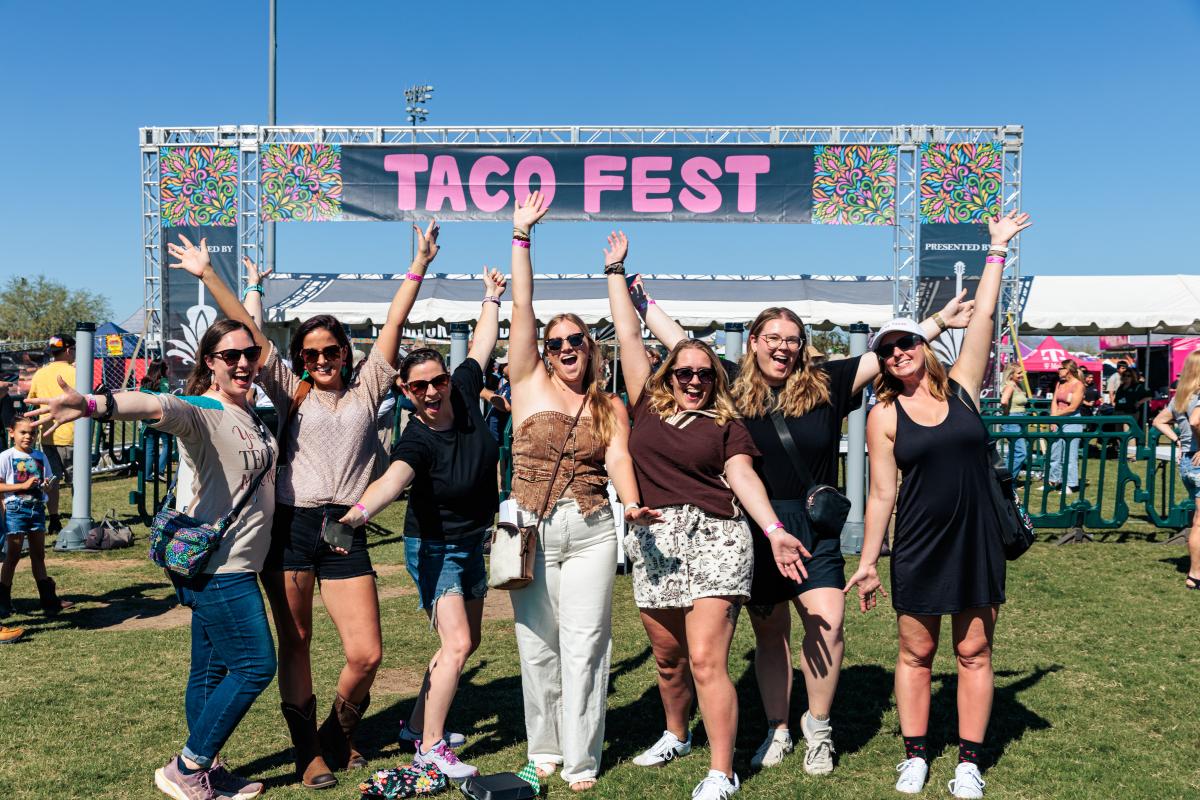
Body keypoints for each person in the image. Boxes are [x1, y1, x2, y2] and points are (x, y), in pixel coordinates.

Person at [629, 273, 973, 775]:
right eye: (773, 338)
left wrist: (939, 320)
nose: (783, 347)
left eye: (792, 340)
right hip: (758, 525)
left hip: (813, 526)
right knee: (771, 633)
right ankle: (778, 728)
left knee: (827, 622)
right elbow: (680, 342)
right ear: (753, 342)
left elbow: (888, 351)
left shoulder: (828, 382)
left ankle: (818, 726)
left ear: (802, 346)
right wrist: (641, 302)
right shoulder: (730, 382)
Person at [167, 224, 437, 789]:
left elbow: (394, 322)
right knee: (297, 643)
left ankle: (339, 729)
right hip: (291, 527)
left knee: (366, 653)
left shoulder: (369, 385)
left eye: (331, 351)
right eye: (311, 353)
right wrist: (209, 274)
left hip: (346, 527)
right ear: (300, 358)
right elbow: (247, 330)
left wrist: (419, 264)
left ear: (345, 352)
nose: (322, 360)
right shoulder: (292, 388)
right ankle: (308, 749)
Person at [28, 318, 279, 800]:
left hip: (235, 562)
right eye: (230, 356)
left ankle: (207, 769)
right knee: (254, 666)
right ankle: (189, 766)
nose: (244, 363)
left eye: (250, 354)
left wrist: (249, 288)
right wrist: (92, 404)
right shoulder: (202, 410)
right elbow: (153, 404)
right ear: (210, 363)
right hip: (218, 568)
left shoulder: (247, 410)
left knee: (210, 670)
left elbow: (250, 323)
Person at [606, 232, 809, 800]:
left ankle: (723, 771)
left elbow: (743, 477)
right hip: (654, 537)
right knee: (669, 660)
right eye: (684, 373)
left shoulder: (727, 423)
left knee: (705, 659)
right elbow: (628, 332)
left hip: (716, 537)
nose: (693, 380)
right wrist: (616, 273)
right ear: (668, 375)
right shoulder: (646, 402)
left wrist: (773, 531)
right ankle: (677, 733)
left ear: (716, 380)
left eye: (704, 374)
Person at [847, 210, 1032, 799]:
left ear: (924, 346)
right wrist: (869, 562)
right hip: (920, 544)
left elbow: (984, 319)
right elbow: (882, 493)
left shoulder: (963, 387)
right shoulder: (883, 415)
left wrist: (996, 251)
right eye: (888, 349)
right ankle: (916, 755)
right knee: (916, 652)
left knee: (974, 651)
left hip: (976, 539)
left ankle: (970, 762)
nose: (898, 352)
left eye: (906, 342)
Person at [339, 268, 508, 780]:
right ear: (406, 390)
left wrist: (490, 298)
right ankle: (430, 748)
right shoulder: (416, 438)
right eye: (420, 386)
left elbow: (482, 346)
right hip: (434, 548)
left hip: (472, 541)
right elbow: (393, 480)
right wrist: (357, 515)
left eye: (438, 381)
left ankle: (415, 726)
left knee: (466, 643)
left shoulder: (465, 389)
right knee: (456, 644)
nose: (432, 391)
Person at [506, 192, 644, 792]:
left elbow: (617, 458)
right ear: (545, 350)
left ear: (591, 348)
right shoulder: (527, 382)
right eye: (557, 342)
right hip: (530, 530)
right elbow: (523, 304)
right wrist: (521, 236)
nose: (566, 348)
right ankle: (545, 749)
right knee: (538, 645)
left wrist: (631, 503)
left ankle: (582, 758)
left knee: (586, 645)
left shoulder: (608, 404)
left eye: (576, 341)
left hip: (591, 531)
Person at [0, 416, 73, 618]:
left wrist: (46, 487)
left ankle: (48, 600)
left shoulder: (40, 456)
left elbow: (47, 480)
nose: (28, 437)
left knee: (38, 555)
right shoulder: (6, 456)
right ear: (11, 433)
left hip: (37, 509)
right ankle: (3, 601)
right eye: (23, 432)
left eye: (32, 433)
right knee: (13, 555)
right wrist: (22, 486)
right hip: (15, 509)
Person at [1152, 349, 1200, 590]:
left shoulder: (1181, 397)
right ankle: (1195, 574)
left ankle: (1195, 573)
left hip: (1187, 464)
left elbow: (1158, 421)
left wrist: (1178, 440)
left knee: (1198, 520)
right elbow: (1196, 421)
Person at [26, 334, 74, 535]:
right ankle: (78, 519)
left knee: (52, 481)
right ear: (69, 350)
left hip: (47, 436)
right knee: (76, 481)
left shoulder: (40, 374)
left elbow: (31, 400)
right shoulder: (76, 372)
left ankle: (54, 519)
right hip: (72, 435)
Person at [1046, 360, 1085, 493]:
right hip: (1058, 419)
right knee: (1055, 451)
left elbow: (1073, 407)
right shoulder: (1060, 383)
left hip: (1072, 421)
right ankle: (1053, 481)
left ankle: (1070, 484)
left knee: (1069, 454)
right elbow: (1054, 401)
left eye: (1060, 368)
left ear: (1067, 370)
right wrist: (1053, 419)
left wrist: (1055, 416)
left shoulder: (1078, 385)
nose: (1058, 370)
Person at [140, 359, 172, 480]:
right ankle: (159, 471)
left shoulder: (145, 382)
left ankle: (148, 475)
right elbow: (166, 397)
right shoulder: (164, 382)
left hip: (148, 418)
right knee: (167, 444)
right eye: (166, 368)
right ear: (162, 369)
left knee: (150, 447)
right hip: (161, 417)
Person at [998, 362, 1030, 479]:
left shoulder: (1018, 385)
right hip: (1012, 421)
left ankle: (1006, 481)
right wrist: (1006, 412)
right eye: (1019, 373)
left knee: (1014, 453)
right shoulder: (1010, 386)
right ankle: (1006, 481)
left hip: (1020, 419)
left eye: (1022, 372)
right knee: (1021, 453)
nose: (1022, 375)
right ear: (1011, 375)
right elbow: (1004, 401)